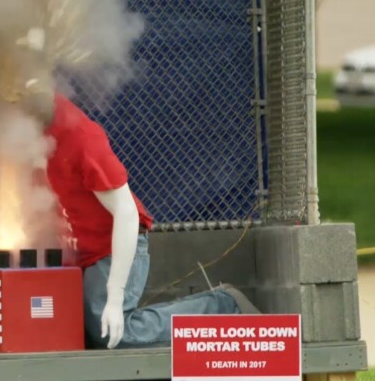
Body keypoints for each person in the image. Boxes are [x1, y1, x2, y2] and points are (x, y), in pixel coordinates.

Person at [30, 92, 260, 352]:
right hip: (77, 252)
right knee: (78, 329)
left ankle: (223, 306)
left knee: (114, 334)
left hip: (111, 247)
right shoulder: (22, 129)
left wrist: (114, 296)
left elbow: (127, 213)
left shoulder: (80, 136)